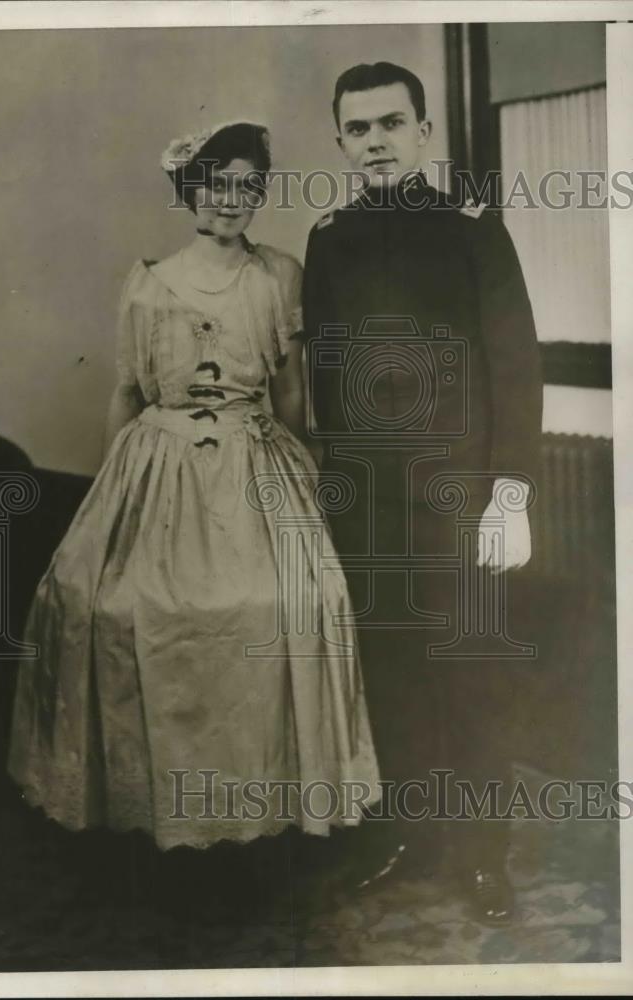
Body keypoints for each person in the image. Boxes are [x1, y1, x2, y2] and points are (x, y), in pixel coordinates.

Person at [7, 121, 381, 911]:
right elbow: (128, 392)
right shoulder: (148, 281)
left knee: (287, 605)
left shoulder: (279, 274)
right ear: (189, 190)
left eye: (247, 185)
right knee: (118, 607)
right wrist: (110, 496)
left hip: (254, 462)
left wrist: (305, 470)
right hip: (160, 465)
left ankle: (265, 817)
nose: (230, 199)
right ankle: (158, 818)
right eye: (216, 184)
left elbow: (287, 396)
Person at [302, 63, 543, 925]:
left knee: (472, 676)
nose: (375, 142)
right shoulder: (328, 238)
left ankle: (484, 858)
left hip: (462, 503)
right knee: (395, 677)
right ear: (340, 141)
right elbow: (326, 375)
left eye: (391, 124)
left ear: (424, 132)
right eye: (358, 129)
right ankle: (415, 838)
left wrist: (509, 492)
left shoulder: (473, 230)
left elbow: (516, 364)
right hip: (368, 504)